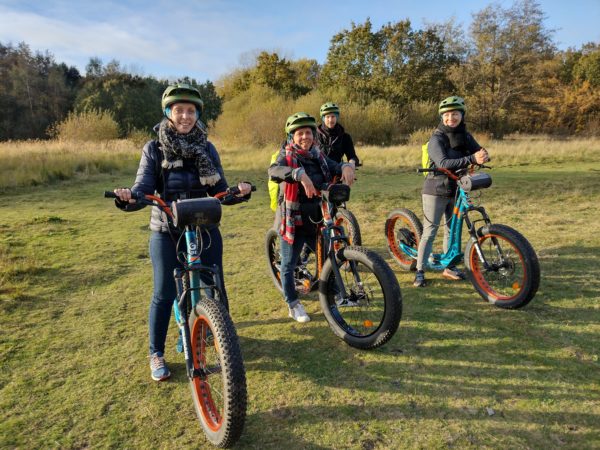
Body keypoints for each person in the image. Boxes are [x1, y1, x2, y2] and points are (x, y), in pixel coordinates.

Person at [112, 83, 251, 381]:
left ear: (197, 114)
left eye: (191, 111)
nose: (185, 116)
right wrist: (129, 197)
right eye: (179, 110)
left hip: (205, 227)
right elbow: (143, 189)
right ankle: (156, 352)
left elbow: (219, 189)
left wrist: (237, 192)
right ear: (168, 113)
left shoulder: (207, 148)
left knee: (214, 286)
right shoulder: (154, 148)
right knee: (164, 293)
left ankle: (211, 333)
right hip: (167, 230)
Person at [268, 112, 355, 322]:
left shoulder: (318, 155)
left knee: (327, 258)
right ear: (291, 137)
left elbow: (336, 165)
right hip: (294, 221)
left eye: (308, 132)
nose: (305, 137)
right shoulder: (286, 156)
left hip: (318, 218)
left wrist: (346, 166)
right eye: (300, 134)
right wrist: (298, 174)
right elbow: (274, 171)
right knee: (289, 265)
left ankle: (332, 293)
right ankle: (292, 303)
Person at [414, 96, 490, 288]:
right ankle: (420, 270)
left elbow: (477, 151)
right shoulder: (436, 139)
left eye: (455, 114)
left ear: (461, 115)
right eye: (447, 115)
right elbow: (444, 163)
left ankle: (449, 267)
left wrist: (483, 155)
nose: (451, 118)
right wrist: (472, 158)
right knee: (430, 231)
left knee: (452, 229)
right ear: (442, 117)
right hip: (435, 190)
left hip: (456, 188)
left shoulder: (465, 135)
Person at [316, 102, 360, 167]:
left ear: (337, 117)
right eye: (327, 117)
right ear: (323, 118)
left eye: (333, 116)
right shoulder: (314, 135)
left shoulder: (345, 137)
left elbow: (352, 157)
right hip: (318, 170)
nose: (330, 120)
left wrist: (351, 164)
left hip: (337, 170)